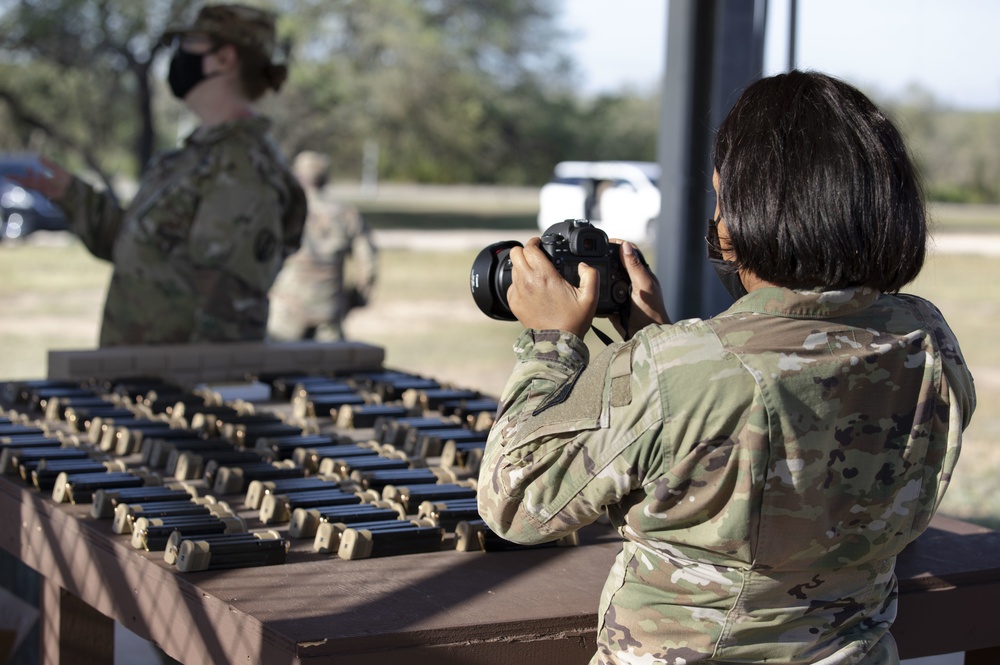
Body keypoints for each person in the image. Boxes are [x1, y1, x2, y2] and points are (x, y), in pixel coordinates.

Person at [476, 70, 977, 664]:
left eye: (723, 200)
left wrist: (550, 341)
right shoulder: (926, 337)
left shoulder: (682, 372)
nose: (719, 220)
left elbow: (516, 504)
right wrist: (659, 343)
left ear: (749, 214)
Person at [12, 3, 306, 346]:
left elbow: (228, 319)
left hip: (172, 390)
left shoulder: (242, 169)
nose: (177, 58)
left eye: (188, 44)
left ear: (224, 59)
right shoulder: (195, 158)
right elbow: (140, 252)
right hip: (139, 378)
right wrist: (71, 194)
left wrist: (195, 398)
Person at [267, 150, 378, 342]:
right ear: (325, 178)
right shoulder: (347, 215)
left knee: (278, 369)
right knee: (329, 369)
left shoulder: (280, 210)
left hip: (285, 314)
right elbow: (368, 266)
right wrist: (355, 300)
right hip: (329, 312)